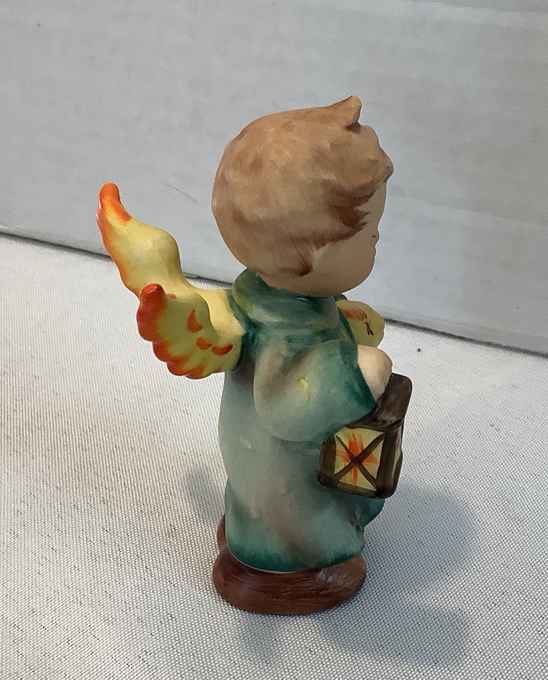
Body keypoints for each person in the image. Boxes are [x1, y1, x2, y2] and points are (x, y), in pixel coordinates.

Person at [212, 96, 394, 571]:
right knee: (317, 526)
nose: (378, 239)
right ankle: (289, 555)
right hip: (286, 487)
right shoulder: (284, 333)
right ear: (314, 254)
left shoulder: (279, 304)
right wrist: (355, 373)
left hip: (261, 464)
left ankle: (251, 524)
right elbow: (286, 409)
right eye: (370, 233)